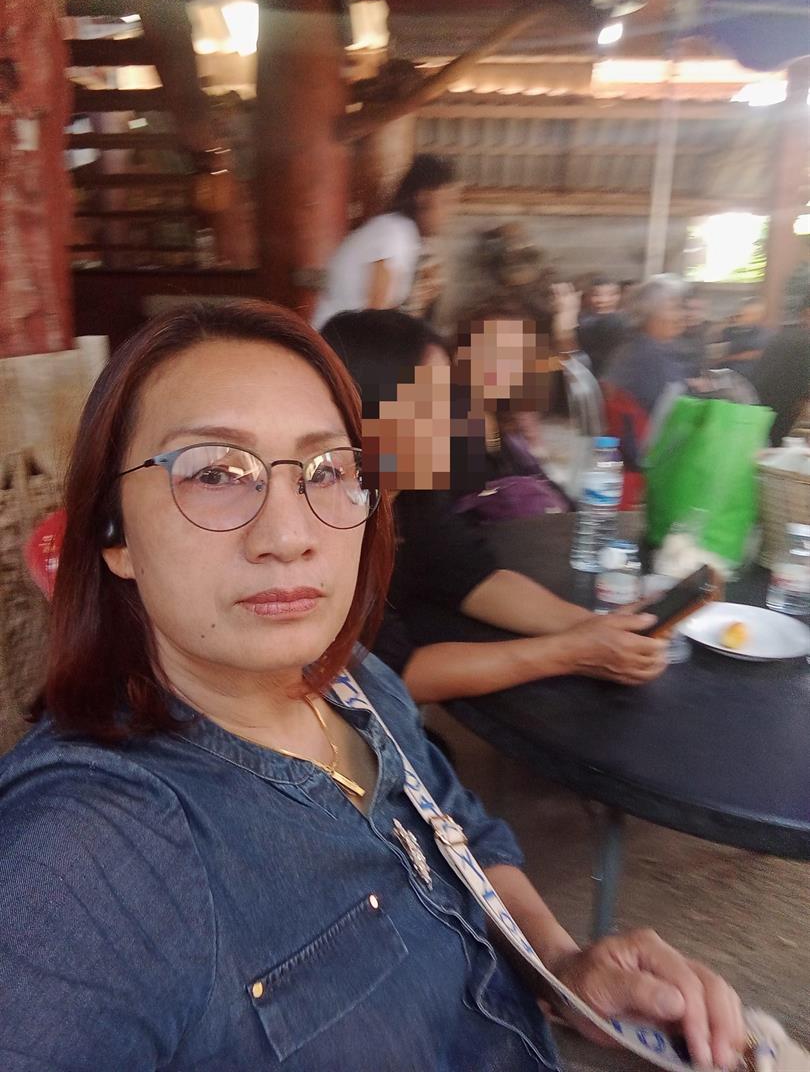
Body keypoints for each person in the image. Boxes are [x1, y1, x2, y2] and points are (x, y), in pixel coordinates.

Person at [0, 301, 747, 1071]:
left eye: (327, 470)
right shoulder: (87, 854)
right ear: (114, 534)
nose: (289, 536)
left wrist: (562, 965)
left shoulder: (356, 681)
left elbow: (461, 833)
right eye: (215, 473)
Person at [322, 309, 669, 704]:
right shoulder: (328, 520)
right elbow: (390, 677)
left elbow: (474, 578)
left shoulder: (412, 491)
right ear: (368, 410)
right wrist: (572, 652)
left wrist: (595, 626)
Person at [312, 155, 457, 330]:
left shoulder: (402, 233)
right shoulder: (395, 234)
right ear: (423, 198)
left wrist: (420, 301)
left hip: (347, 336)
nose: (449, 214)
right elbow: (377, 318)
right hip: (336, 340)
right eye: (445, 202)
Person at [602, 275, 698, 478]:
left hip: (636, 446)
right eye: (674, 308)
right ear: (650, 313)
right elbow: (670, 410)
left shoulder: (637, 347)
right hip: (653, 453)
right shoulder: (649, 355)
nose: (681, 315)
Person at [753, 290, 810, 445]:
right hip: (784, 424)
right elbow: (804, 402)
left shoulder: (781, 337)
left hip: (759, 417)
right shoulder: (804, 342)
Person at [576, 275, 629, 377]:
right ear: (589, 296)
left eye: (611, 294)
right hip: (592, 373)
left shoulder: (626, 319)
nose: (604, 299)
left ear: (619, 295)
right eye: (597, 295)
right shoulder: (583, 322)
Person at [716, 297, 771, 380]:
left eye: (754, 314)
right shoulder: (730, 331)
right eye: (747, 314)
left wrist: (729, 358)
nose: (749, 317)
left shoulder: (765, 334)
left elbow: (758, 354)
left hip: (753, 376)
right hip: (729, 374)